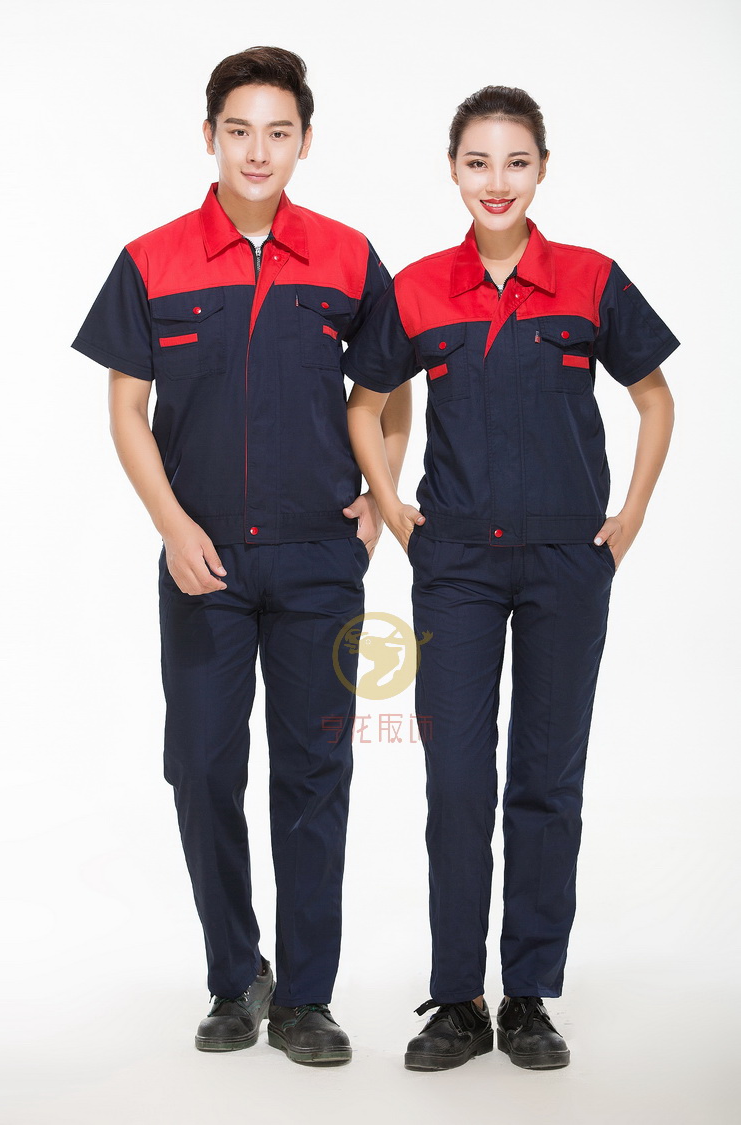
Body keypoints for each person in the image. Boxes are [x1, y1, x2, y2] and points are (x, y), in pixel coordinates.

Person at [71, 46, 409, 1066]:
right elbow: (126, 409)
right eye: (239, 130)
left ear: (304, 141)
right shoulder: (153, 259)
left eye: (278, 132)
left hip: (316, 559)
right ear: (210, 136)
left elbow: (390, 390)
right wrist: (172, 526)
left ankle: (306, 997)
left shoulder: (346, 257)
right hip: (202, 562)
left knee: (315, 772)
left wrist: (379, 500)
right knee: (201, 765)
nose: (258, 151)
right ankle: (235, 976)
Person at [342, 85, 678, 1072]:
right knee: (457, 780)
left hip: (569, 562)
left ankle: (528, 995)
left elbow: (656, 398)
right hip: (455, 567)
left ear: (542, 169)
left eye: (516, 162)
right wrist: (394, 507)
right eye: (478, 162)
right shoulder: (417, 288)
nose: (497, 181)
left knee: (546, 779)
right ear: (453, 169)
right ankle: (458, 999)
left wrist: (630, 518)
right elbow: (366, 404)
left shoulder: (590, 279)